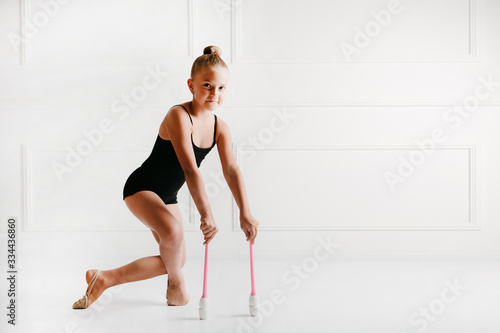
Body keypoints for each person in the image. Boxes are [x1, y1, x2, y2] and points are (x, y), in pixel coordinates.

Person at [72, 45, 259, 309]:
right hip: (141, 188)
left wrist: (245, 212)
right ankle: (176, 284)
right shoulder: (178, 116)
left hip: (167, 195)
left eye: (221, 88)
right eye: (207, 85)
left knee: (175, 258)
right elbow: (190, 169)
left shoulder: (220, 128)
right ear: (191, 85)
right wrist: (206, 214)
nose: (214, 93)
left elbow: (232, 169)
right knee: (173, 233)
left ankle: (105, 278)